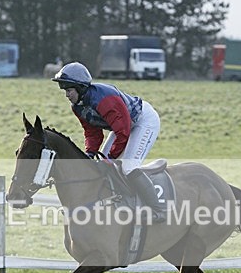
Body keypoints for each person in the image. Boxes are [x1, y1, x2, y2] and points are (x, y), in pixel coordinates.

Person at [52, 62, 165, 222]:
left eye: (69, 90)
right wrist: (90, 153)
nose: (67, 95)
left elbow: (123, 133)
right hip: (123, 126)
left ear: (80, 87)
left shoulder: (105, 100)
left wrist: (110, 157)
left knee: (128, 167)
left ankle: (158, 209)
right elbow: (92, 133)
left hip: (143, 122)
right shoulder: (77, 106)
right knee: (99, 165)